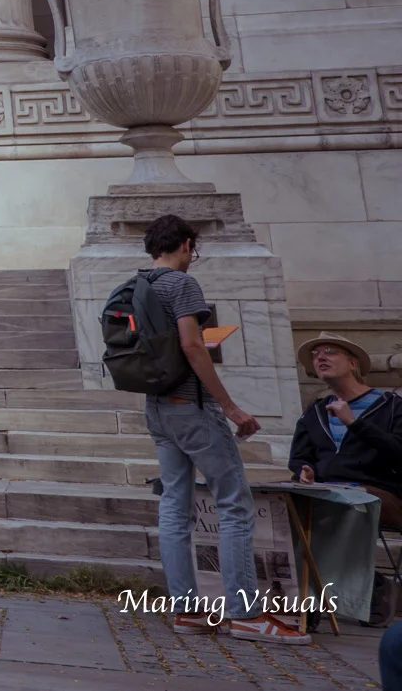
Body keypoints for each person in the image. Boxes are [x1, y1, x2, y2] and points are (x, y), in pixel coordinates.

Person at [135, 213, 306, 643]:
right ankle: (247, 615)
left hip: (157, 408)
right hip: (192, 406)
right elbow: (193, 345)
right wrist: (229, 407)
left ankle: (187, 611)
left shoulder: (136, 285)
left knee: (175, 504)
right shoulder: (181, 283)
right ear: (188, 244)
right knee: (234, 503)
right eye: (193, 249)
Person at [289, 333, 402, 527]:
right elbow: (299, 458)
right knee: (279, 505)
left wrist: (354, 423)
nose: (320, 357)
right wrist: (305, 472)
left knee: (337, 506)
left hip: (378, 494)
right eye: (316, 354)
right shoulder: (314, 411)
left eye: (330, 352)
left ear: (352, 363)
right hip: (325, 491)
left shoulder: (392, 406)